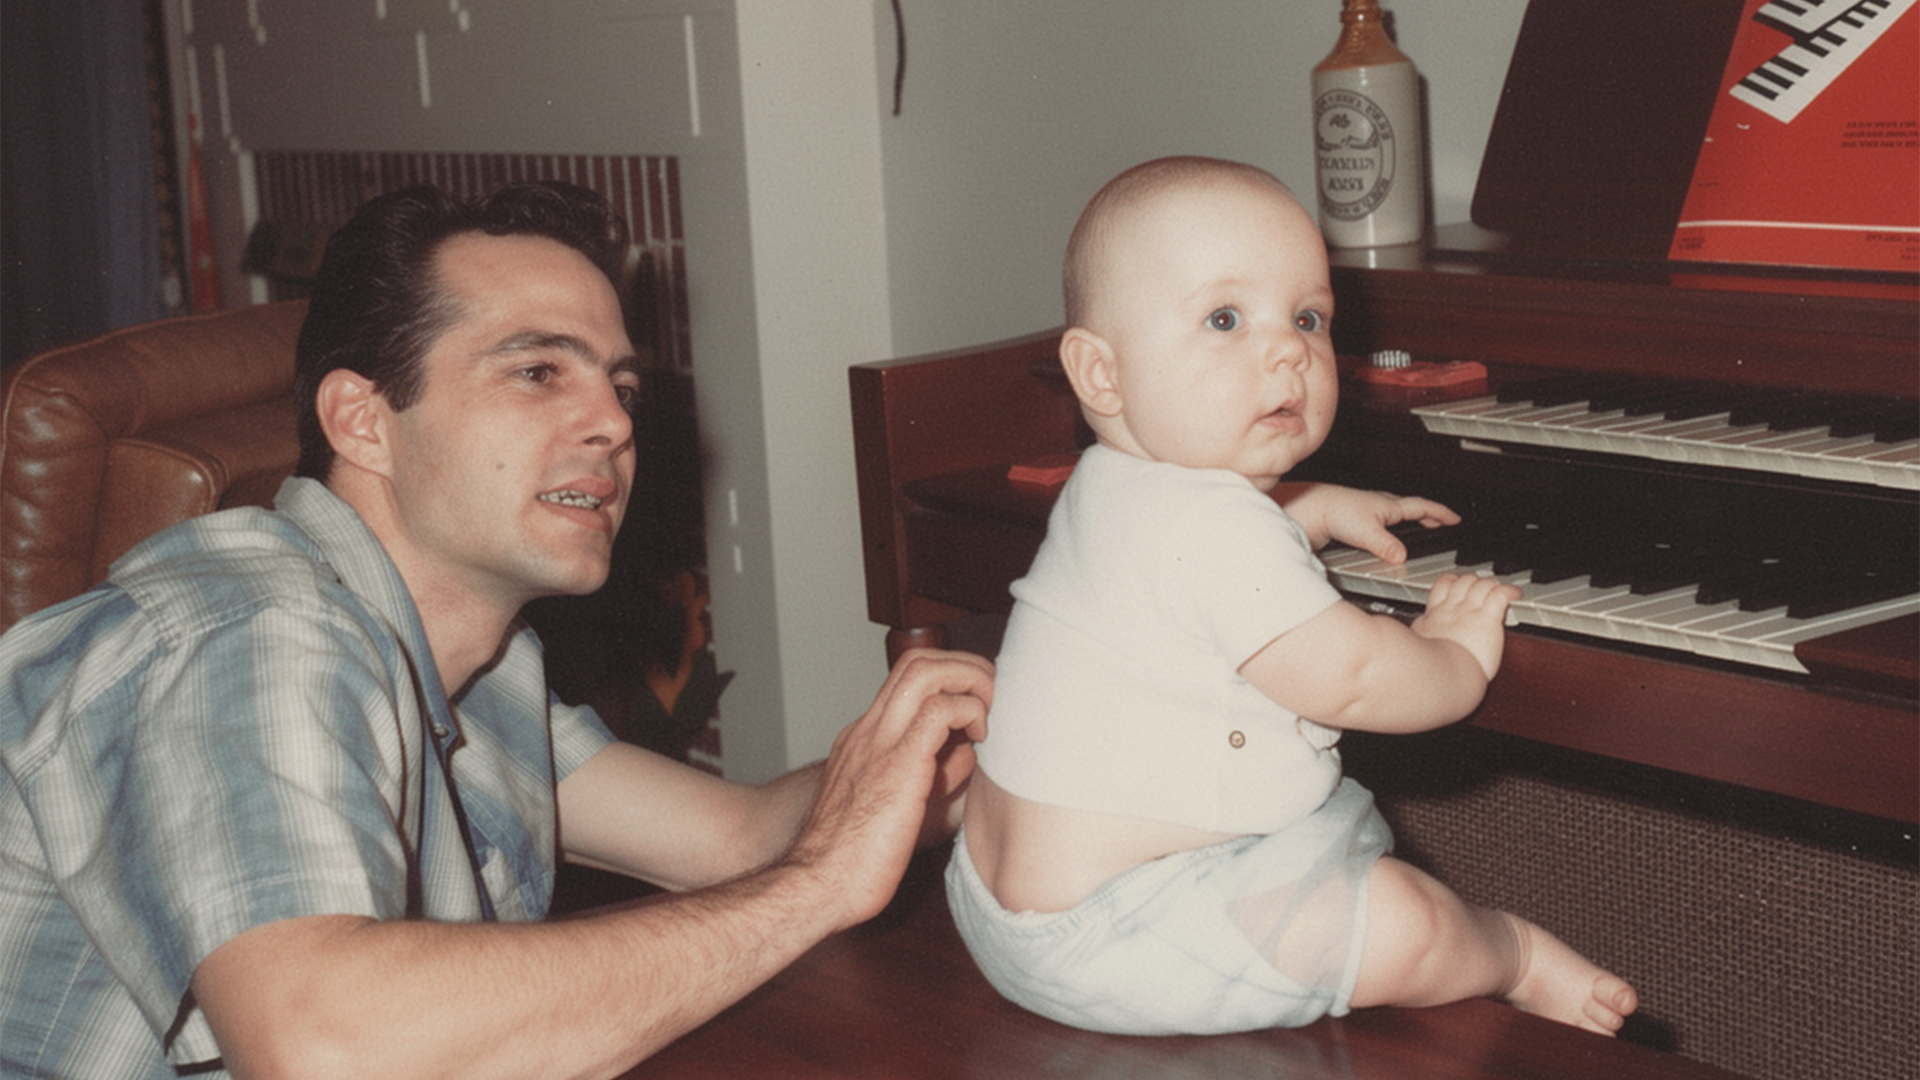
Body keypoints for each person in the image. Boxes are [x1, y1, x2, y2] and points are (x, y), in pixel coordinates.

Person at [0, 181, 992, 1080]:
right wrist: (820, 886)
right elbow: (324, 1047)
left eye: (620, 385)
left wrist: (946, 757)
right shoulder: (251, 629)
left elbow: (728, 838)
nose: (611, 421)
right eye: (538, 373)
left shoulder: (474, 655)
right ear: (363, 421)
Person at [945, 156, 1637, 1039]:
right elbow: (1349, 677)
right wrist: (1454, 653)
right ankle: (1516, 956)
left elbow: (1186, 553)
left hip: (995, 900)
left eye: (1307, 318)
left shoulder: (1107, 482)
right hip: (1119, 933)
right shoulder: (1215, 532)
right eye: (1224, 318)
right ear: (1102, 375)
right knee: (1402, 925)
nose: (1288, 351)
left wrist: (1314, 507)